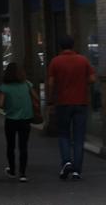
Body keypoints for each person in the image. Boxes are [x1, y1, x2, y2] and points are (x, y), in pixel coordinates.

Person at [46, 35, 97, 180]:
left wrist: (51, 101)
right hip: (81, 103)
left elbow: (50, 83)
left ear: (60, 46)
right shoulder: (83, 60)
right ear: (73, 45)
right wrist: (82, 83)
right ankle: (77, 171)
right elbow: (93, 79)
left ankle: (66, 162)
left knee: (63, 134)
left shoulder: (55, 61)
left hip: (63, 103)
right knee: (79, 137)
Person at [0, 62, 38, 182]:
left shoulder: (4, 87)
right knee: (23, 146)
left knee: (11, 146)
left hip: (11, 120)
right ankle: (23, 174)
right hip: (26, 119)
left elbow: (0, 104)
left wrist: (8, 105)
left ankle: (12, 170)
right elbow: (36, 98)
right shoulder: (27, 84)